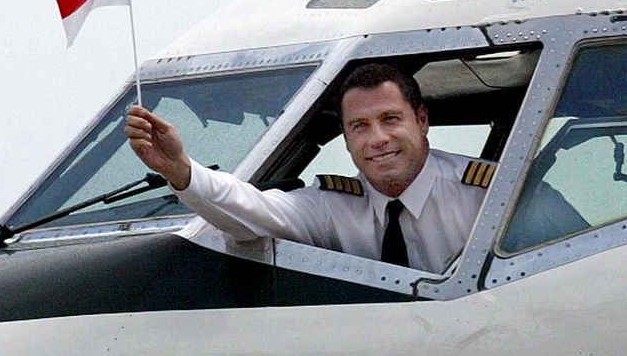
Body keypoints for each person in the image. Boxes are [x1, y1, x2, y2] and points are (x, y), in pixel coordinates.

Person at [124, 63, 495, 273]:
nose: (378, 139)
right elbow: (253, 209)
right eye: (359, 126)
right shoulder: (331, 206)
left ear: (422, 120)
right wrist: (181, 169)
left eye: (391, 119)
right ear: (346, 139)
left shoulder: (487, 195)